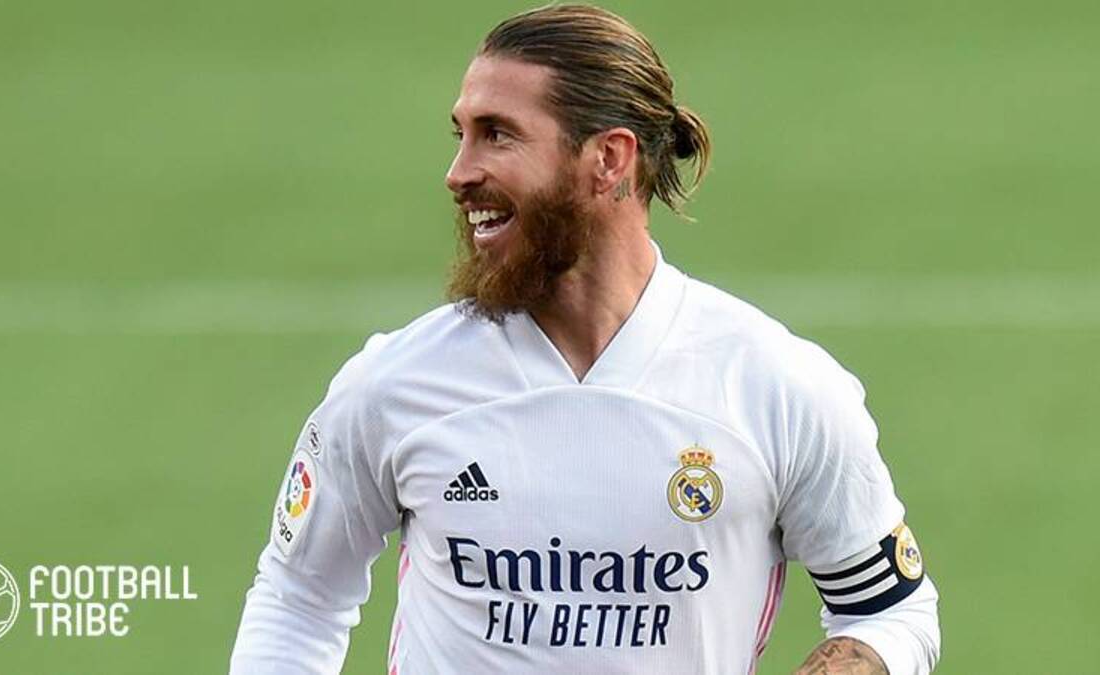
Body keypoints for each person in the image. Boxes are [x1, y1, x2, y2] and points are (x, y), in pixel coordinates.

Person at [230, 5, 940, 674]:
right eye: (461, 134)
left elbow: (891, 610)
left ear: (609, 158)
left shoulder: (775, 386)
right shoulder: (395, 385)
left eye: (497, 134)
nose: (458, 173)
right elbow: (298, 599)